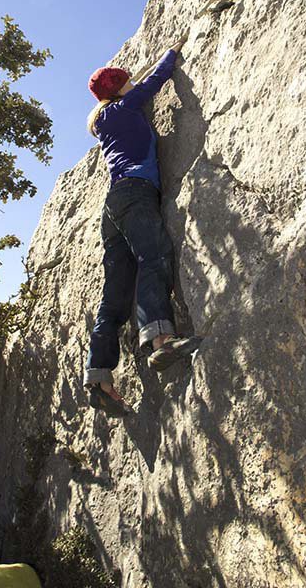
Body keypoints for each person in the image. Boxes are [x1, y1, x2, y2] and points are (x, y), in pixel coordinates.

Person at [84, 33, 202, 416]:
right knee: (154, 256)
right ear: (118, 88)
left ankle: (99, 376)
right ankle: (161, 341)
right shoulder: (122, 108)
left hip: (114, 205)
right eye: (126, 81)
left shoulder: (104, 123)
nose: (132, 84)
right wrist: (174, 50)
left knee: (115, 293)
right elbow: (155, 82)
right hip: (134, 194)